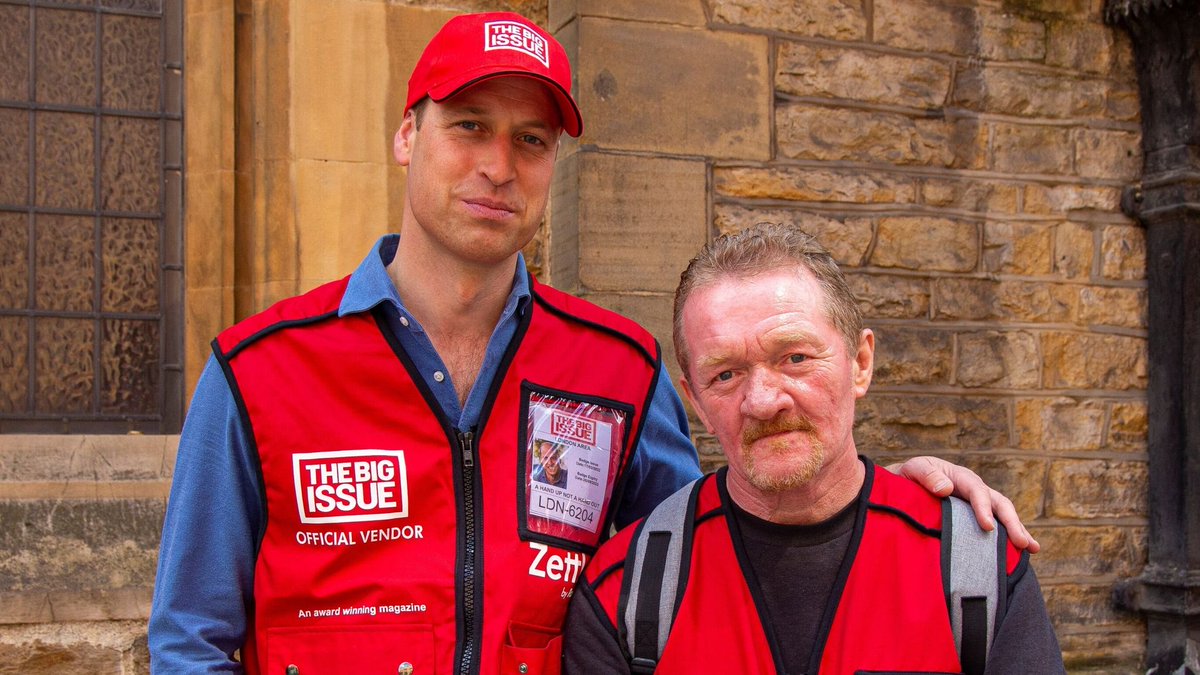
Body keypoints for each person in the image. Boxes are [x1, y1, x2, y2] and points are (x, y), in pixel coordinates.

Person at [149, 12, 1036, 675]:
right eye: (469, 126)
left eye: (530, 140)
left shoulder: (615, 368)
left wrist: (881, 488)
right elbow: (190, 641)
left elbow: (721, 536)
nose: (499, 164)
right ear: (407, 134)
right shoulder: (260, 369)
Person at [562, 223, 1064, 674]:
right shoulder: (624, 591)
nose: (762, 401)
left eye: (795, 357)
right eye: (726, 374)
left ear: (861, 362)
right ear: (694, 399)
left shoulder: (973, 568)